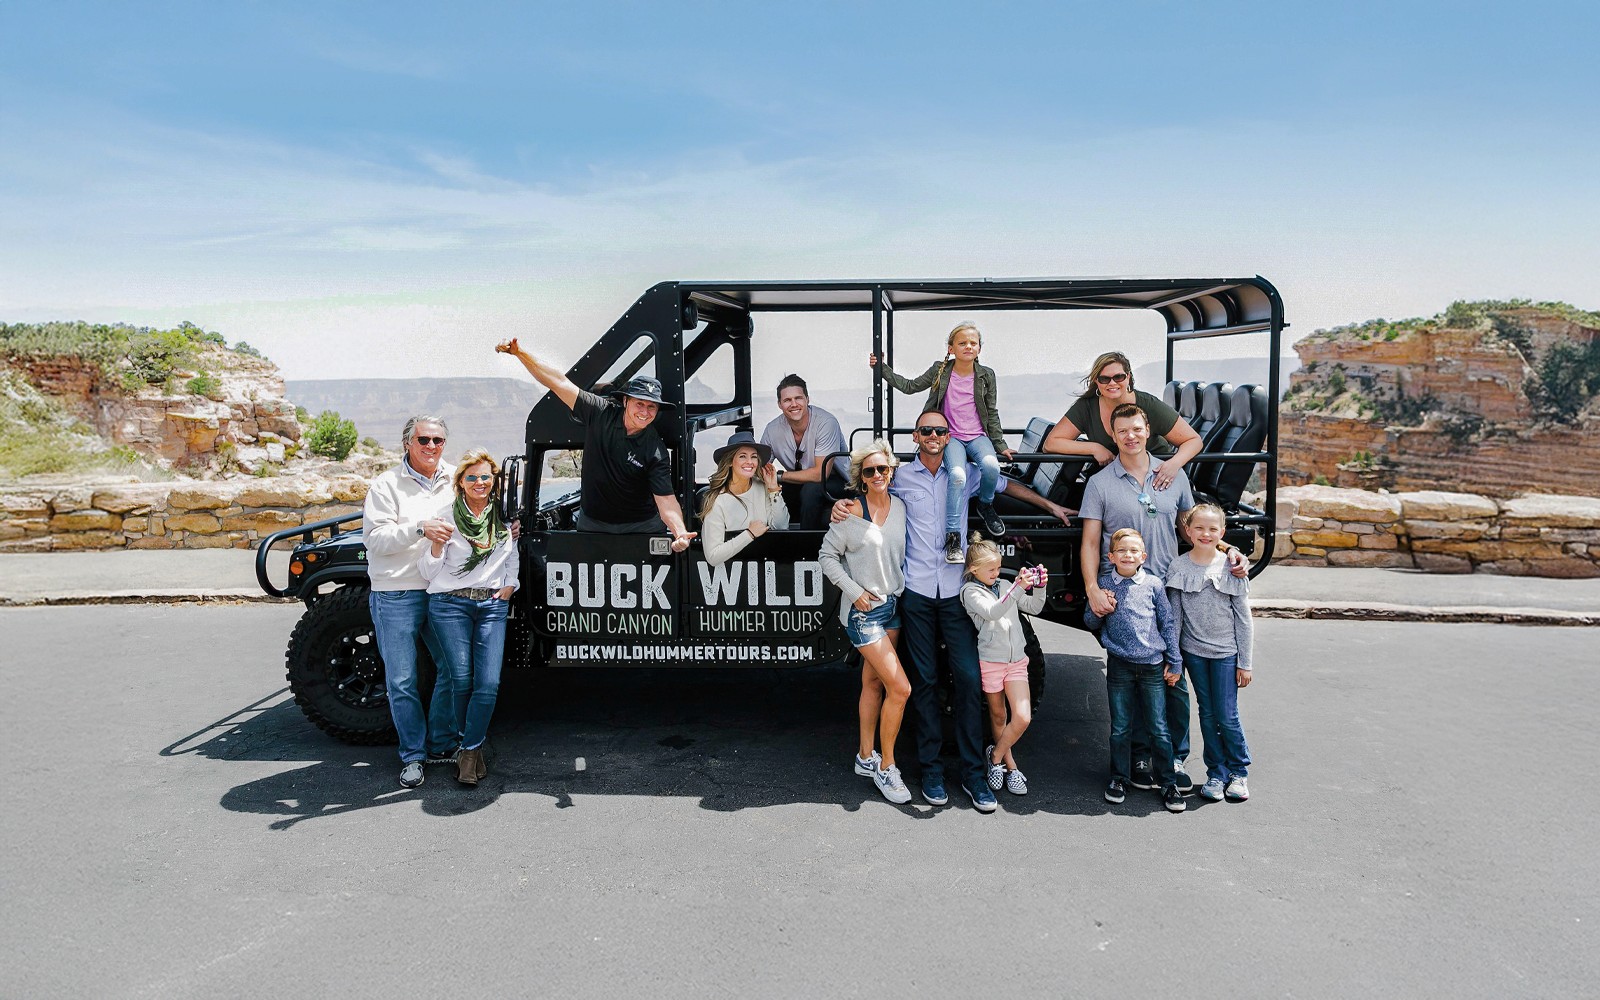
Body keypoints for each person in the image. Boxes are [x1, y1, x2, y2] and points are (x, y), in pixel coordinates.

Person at [834, 409, 1074, 814]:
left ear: (949, 437)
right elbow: (868, 498)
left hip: (956, 593)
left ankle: (973, 773)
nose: (932, 436)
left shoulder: (963, 476)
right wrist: (843, 505)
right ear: (915, 435)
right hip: (916, 593)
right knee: (924, 681)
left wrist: (1048, 504)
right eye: (926, 429)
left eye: (940, 431)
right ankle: (930, 769)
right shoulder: (901, 478)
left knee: (967, 678)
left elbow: (1008, 487)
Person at [1078, 402, 1248, 794]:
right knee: (1131, 675)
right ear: (1113, 434)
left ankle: (1173, 755)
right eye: (1122, 431)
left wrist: (1229, 550)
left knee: (1175, 677)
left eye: (1136, 429)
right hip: (1124, 592)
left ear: (1147, 429)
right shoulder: (1101, 483)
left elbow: (1195, 529)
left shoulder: (1172, 474)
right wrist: (1092, 588)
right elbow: (1089, 542)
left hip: (1169, 588)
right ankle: (1138, 756)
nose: (1130, 436)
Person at [495, 337, 695, 552]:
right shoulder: (600, 413)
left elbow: (665, 500)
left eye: (651, 407)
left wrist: (680, 532)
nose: (645, 412)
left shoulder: (655, 450)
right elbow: (558, 382)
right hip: (593, 523)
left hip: (641, 526)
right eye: (639, 404)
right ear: (625, 401)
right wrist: (520, 353)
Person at [362, 415, 460, 788]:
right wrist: (420, 528)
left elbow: (476, 516)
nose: (431, 447)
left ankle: (440, 743)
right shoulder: (385, 485)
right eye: (424, 440)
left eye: (438, 440)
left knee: (452, 667)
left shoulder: (455, 478)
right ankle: (413, 756)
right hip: (396, 591)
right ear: (407, 443)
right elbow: (376, 539)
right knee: (401, 679)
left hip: (442, 588)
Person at [818, 441, 912, 805]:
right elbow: (827, 555)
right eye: (869, 471)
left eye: (883, 469)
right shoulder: (851, 512)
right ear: (861, 476)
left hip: (893, 607)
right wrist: (853, 590)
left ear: (891, 470)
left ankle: (864, 756)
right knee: (900, 689)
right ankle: (887, 767)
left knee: (873, 683)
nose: (877, 476)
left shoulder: (901, 507)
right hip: (864, 613)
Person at [871, 321, 1014, 561]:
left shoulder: (986, 375)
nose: (968, 346)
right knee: (957, 476)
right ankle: (953, 538)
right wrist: (882, 368)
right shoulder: (941, 370)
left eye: (973, 343)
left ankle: (985, 505)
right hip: (953, 438)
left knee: (991, 467)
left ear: (979, 348)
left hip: (978, 435)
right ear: (951, 348)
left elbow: (992, 410)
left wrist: (1000, 445)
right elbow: (909, 386)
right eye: (962, 343)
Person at [419, 449, 519, 788]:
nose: (480, 482)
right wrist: (434, 546)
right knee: (461, 680)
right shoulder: (445, 517)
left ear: (494, 481)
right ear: (460, 482)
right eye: (472, 477)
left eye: (485, 477)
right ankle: (470, 749)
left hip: (491, 605)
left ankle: (468, 750)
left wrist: (509, 586)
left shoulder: (503, 520)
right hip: (450, 605)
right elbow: (428, 572)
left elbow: (510, 558)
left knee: (488, 684)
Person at [1083, 528, 1186, 814]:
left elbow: (1167, 623)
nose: (1128, 555)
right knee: (1120, 727)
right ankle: (1119, 778)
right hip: (1120, 666)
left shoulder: (1153, 584)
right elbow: (1090, 622)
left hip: (1152, 665)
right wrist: (1101, 608)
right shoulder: (1104, 584)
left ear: (1143, 556)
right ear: (1111, 556)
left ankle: (1167, 782)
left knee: (1158, 727)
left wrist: (1174, 661)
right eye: (1122, 551)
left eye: (1133, 551)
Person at [1167, 503, 1254, 803]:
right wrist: (1175, 658)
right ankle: (1215, 773)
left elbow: (1244, 620)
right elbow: (1175, 618)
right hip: (1194, 653)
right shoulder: (1178, 566)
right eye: (1199, 528)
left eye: (1213, 529)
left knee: (1227, 715)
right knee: (1206, 713)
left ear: (1222, 533)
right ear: (1188, 531)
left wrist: (1246, 663)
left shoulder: (1232, 567)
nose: (1206, 534)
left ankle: (1238, 771)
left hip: (1226, 654)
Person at [1043, 351, 1205, 492]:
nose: (1112, 383)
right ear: (1096, 382)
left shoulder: (1149, 405)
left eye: (1118, 377)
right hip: (1113, 478)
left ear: (1128, 377)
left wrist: (1172, 465)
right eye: (1105, 379)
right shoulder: (1087, 407)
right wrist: (1094, 448)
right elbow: (1051, 443)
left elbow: (1193, 440)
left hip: (1153, 478)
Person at [960, 537, 1046, 797]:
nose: (997, 574)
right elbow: (994, 611)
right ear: (974, 570)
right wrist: (1018, 587)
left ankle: (995, 757)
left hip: (1016, 662)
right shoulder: (970, 592)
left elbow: (1035, 607)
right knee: (999, 717)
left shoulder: (1005, 584)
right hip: (991, 663)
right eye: (991, 570)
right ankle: (1011, 767)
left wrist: (1039, 586)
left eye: (998, 568)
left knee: (1022, 717)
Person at [759, 374, 850, 529]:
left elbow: (820, 474)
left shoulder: (826, 422)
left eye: (798, 398)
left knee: (811, 490)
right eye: (787, 400)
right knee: (769, 491)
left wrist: (779, 476)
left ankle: (805, 544)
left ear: (807, 399)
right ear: (779, 404)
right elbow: (761, 466)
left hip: (839, 481)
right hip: (798, 481)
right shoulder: (772, 429)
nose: (793, 404)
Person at [699, 430, 789, 567]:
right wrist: (749, 534)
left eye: (753, 457)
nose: (750, 462)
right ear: (730, 462)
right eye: (742, 456)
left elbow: (782, 527)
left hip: (765, 567)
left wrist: (773, 490)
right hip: (733, 575)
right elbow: (712, 556)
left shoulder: (762, 488)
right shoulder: (717, 500)